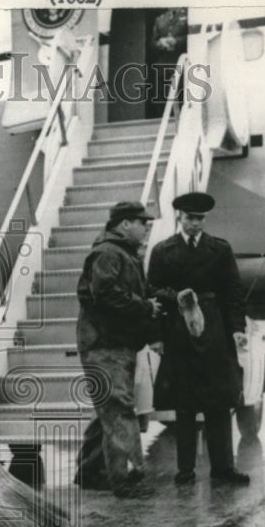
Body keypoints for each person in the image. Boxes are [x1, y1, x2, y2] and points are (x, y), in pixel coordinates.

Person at [147, 192, 250, 486]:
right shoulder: (162, 251)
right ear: (179, 216)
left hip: (214, 331)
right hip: (179, 333)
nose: (195, 223)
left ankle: (223, 468)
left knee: (219, 402)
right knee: (185, 405)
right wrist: (156, 335)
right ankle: (185, 469)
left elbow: (233, 293)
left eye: (200, 218)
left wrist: (237, 329)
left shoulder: (220, 249)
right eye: (190, 217)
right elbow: (152, 291)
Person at [75, 201, 162, 498]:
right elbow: (105, 293)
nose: (145, 229)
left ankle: (89, 472)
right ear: (125, 224)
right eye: (142, 223)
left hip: (111, 343)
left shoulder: (121, 254)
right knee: (120, 409)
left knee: (109, 411)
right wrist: (144, 306)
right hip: (105, 345)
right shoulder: (109, 253)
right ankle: (126, 479)